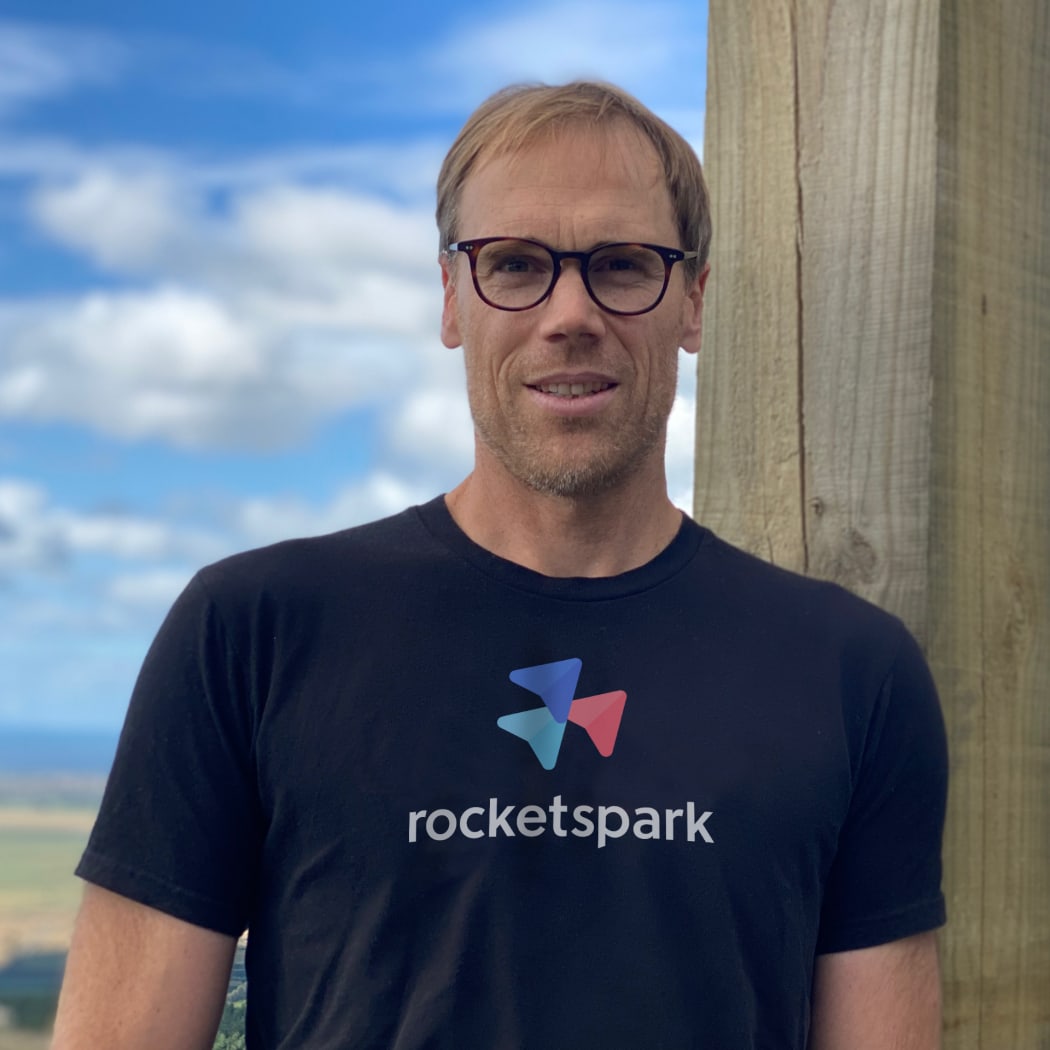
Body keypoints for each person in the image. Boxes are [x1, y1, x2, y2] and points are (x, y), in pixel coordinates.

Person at [52, 81, 948, 1049]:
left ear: (692, 301)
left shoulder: (849, 672)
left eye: (622, 264)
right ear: (450, 299)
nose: (570, 312)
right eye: (515, 264)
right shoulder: (251, 631)